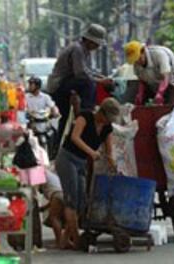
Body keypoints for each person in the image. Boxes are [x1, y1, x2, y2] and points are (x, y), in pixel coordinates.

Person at [55, 97, 120, 249]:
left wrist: (112, 162)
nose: (106, 122)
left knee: (81, 201)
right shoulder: (84, 117)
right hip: (67, 159)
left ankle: (64, 240)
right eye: (106, 118)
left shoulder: (107, 128)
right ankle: (76, 239)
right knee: (71, 199)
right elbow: (75, 137)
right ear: (101, 112)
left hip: (81, 163)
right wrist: (92, 152)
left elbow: (110, 150)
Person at [47, 24, 110, 146]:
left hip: (68, 83)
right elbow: (81, 73)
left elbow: (88, 71)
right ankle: (87, 113)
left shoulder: (84, 51)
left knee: (65, 118)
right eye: (96, 44)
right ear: (89, 41)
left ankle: (59, 145)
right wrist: (100, 81)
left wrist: (101, 77)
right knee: (89, 84)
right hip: (59, 85)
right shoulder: (77, 49)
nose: (97, 47)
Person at [124, 40, 174, 106]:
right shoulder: (136, 64)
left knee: (172, 102)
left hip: (172, 79)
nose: (138, 62)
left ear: (143, 51)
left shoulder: (159, 54)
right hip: (155, 81)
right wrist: (140, 95)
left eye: (139, 58)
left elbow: (166, 77)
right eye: (135, 60)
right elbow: (142, 81)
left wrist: (160, 93)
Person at [40, 169, 65, 248]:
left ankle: (59, 242)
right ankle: (63, 240)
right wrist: (44, 207)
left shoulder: (40, 174)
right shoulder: (50, 174)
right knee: (58, 217)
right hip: (62, 194)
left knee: (54, 218)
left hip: (57, 195)